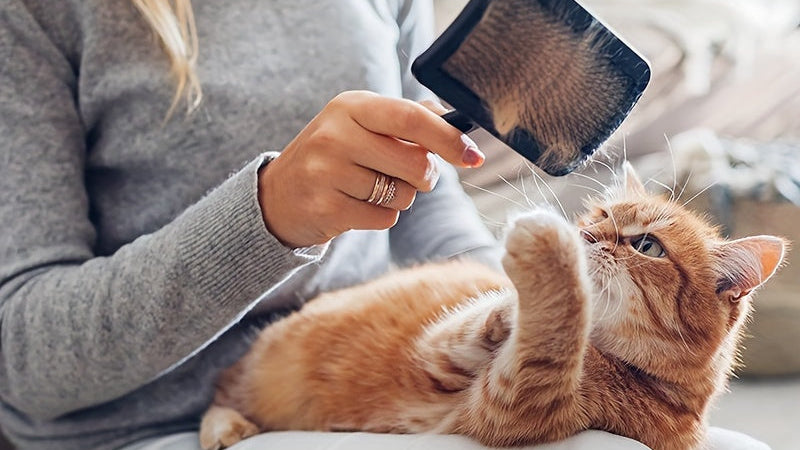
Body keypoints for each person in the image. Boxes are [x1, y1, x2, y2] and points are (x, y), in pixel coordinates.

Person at [0, 1, 772, 450]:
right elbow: (26, 361)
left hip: (410, 376)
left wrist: (519, 313)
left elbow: (425, 192)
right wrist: (267, 217)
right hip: (160, 422)